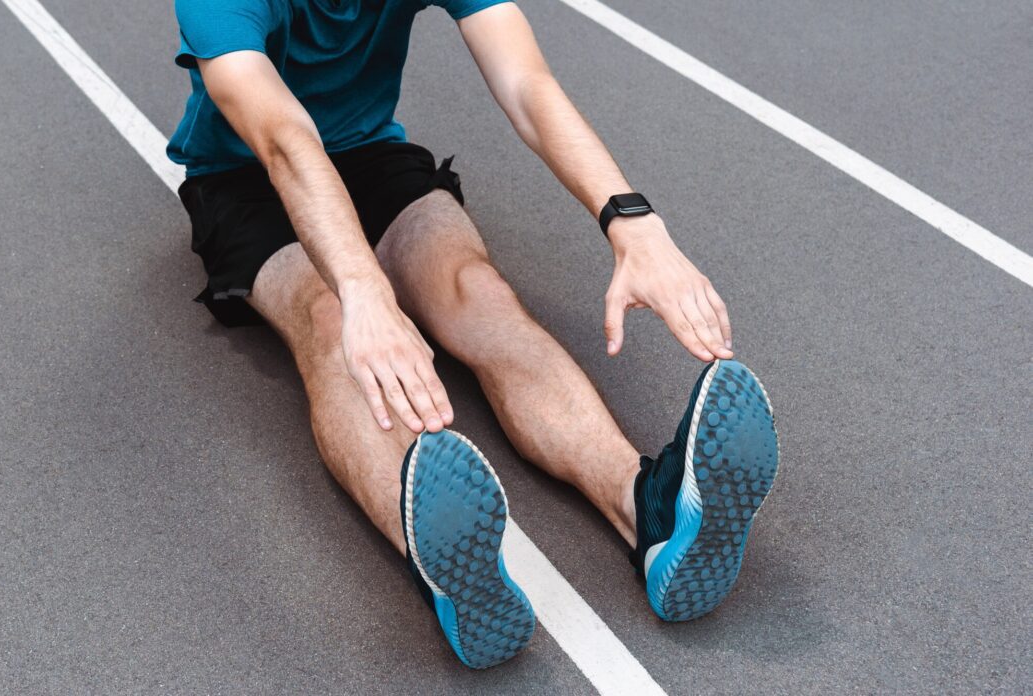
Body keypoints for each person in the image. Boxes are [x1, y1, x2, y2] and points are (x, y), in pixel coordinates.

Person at [168, 0, 779, 669]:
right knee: (331, 320)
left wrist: (632, 222)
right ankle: (437, 556)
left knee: (475, 291)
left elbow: (526, 83)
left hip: (370, 156)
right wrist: (364, 288)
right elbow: (284, 139)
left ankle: (652, 510)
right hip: (248, 179)